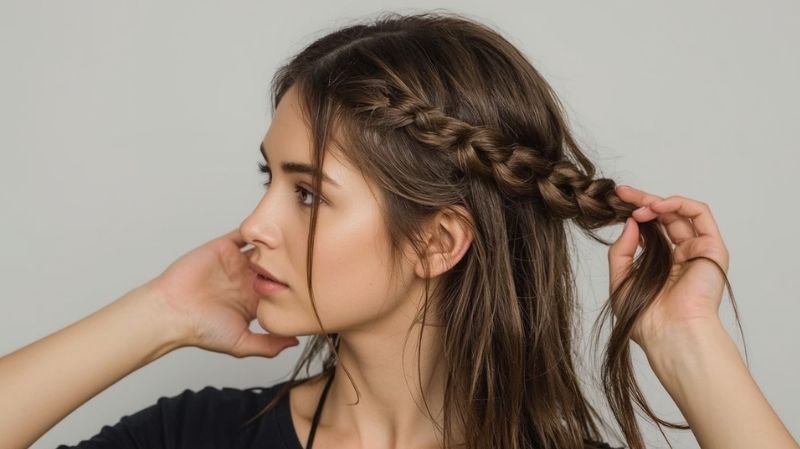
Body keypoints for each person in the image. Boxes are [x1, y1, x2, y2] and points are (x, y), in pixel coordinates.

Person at [0, 10, 796, 449]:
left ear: (437, 242)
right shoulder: (201, 436)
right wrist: (159, 315)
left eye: (308, 194)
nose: (253, 225)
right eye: (267, 179)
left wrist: (689, 341)